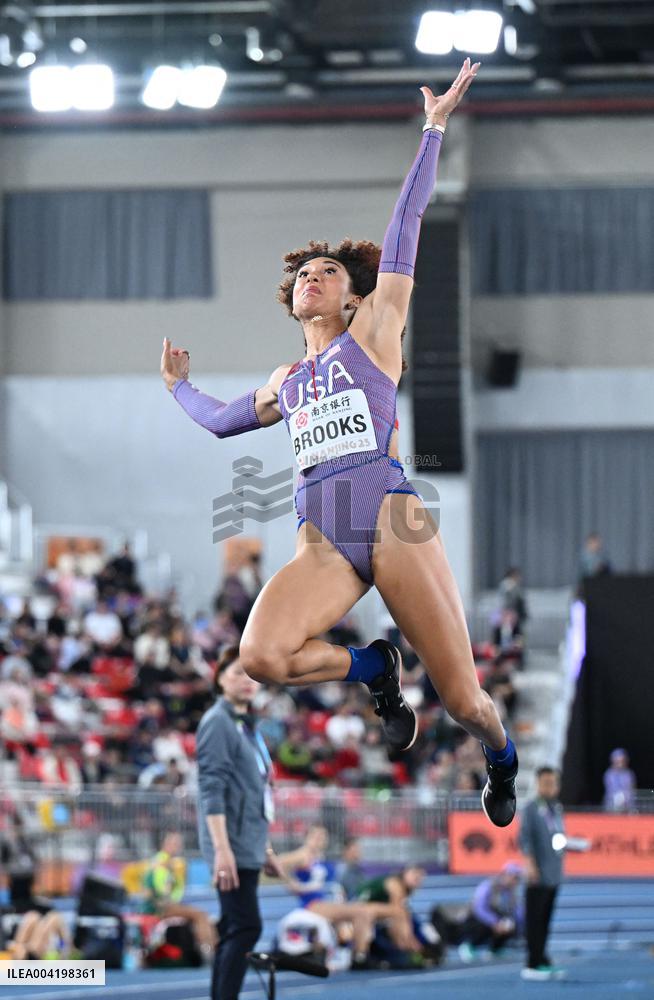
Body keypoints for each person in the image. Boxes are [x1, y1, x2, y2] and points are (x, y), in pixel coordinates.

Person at [162, 58, 518, 829]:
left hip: (394, 516)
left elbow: (406, 228)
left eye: (329, 271)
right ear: (292, 299)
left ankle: (503, 755)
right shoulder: (287, 379)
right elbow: (224, 421)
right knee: (258, 661)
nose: (315, 278)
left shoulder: (374, 332)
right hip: (321, 538)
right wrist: (176, 390)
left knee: (462, 701)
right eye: (306, 274)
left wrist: (433, 130)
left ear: (354, 295)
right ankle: (374, 668)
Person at [196, 644, 283, 1000]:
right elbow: (211, 790)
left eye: (250, 674)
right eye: (236, 673)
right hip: (229, 844)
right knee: (247, 926)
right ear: (219, 679)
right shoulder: (218, 723)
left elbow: (253, 790)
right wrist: (222, 850)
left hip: (246, 841)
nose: (246, 681)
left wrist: (264, 847)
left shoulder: (247, 726)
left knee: (235, 926)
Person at [275, 825, 407, 970]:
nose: (320, 840)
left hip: (328, 902)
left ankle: (362, 953)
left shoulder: (320, 856)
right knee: (362, 912)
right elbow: (278, 862)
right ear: (307, 838)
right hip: (313, 904)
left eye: (323, 837)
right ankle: (360, 957)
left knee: (367, 911)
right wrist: (293, 884)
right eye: (316, 836)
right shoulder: (303, 854)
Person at [518, 767, 567, 981]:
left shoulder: (556, 808)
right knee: (535, 920)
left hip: (553, 872)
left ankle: (542, 956)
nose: (550, 786)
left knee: (546, 919)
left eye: (554, 782)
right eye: (546, 782)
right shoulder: (531, 809)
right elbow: (525, 840)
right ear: (538, 784)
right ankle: (533, 961)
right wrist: (530, 866)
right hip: (536, 874)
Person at [141, 831, 216, 961]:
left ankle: (210, 949)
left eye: (179, 843)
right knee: (200, 915)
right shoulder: (161, 863)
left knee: (202, 917)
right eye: (175, 843)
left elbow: (175, 891)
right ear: (166, 844)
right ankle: (210, 951)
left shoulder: (171, 863)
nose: (178, 846)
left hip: (167, 905)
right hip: (159, 908)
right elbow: (161, 892)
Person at [458, 861, 523, 961]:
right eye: (514, 877)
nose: (516, 881)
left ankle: (496, 948)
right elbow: (479, 908)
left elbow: (517, 911)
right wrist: (494, 922)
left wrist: (513, 925)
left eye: (517, 878)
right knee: (483, 924)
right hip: (476, 920)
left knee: (510, 923)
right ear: (506, 874)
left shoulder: (511, 893)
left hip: (496, 921)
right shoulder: (488, 886)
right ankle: (468, 946)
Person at [603, 748, 637, 813]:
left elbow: (631, 789)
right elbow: (611, 790)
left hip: (628, 806)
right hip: (612, 806)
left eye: (622, 761)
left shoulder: (629, 774)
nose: (620, 763)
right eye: (618, 761)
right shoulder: (609, 774)